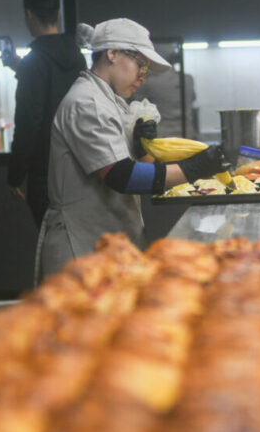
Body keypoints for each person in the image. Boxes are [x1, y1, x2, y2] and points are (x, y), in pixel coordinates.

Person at [39, 18, 226, 278]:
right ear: (112, 53)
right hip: (83, 244)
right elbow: (122, 176)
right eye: (141, 64)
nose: (144, 77)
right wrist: (194, 168)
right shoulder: (87, 103)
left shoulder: (109, 100)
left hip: (108, 239)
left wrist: (139, 149)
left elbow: (135, 166)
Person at [4, 0, 86, 230]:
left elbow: (29, 121)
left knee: (52, 244)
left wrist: (15, 175)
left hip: (46, 174)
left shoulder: (34, 62)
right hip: (81, 168)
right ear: (58, 13)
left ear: (29, 14)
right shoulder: (78, 57)